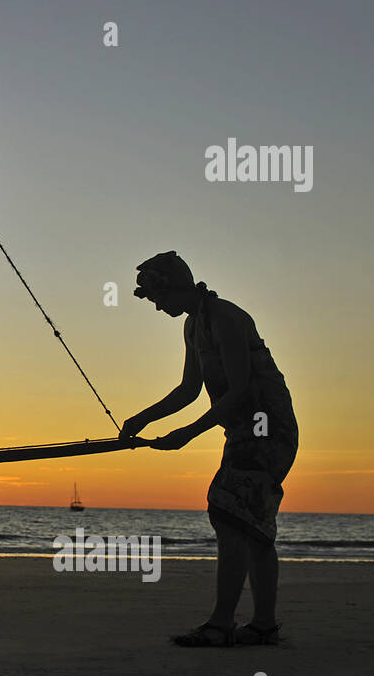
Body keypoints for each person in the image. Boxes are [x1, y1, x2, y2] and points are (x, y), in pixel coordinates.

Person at [119, 252, 298, 647]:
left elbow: (237, 391)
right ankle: (264, 626)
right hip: (243, 431)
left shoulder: (226, 318)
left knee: (229, 514)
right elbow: (189, 390)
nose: (155, 304)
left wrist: (186, 433)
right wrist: (143, 419)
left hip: (267, 429)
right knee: (253, 528)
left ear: (173, 287)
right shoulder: (193, 325)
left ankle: (221, 625)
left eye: (154, 296)